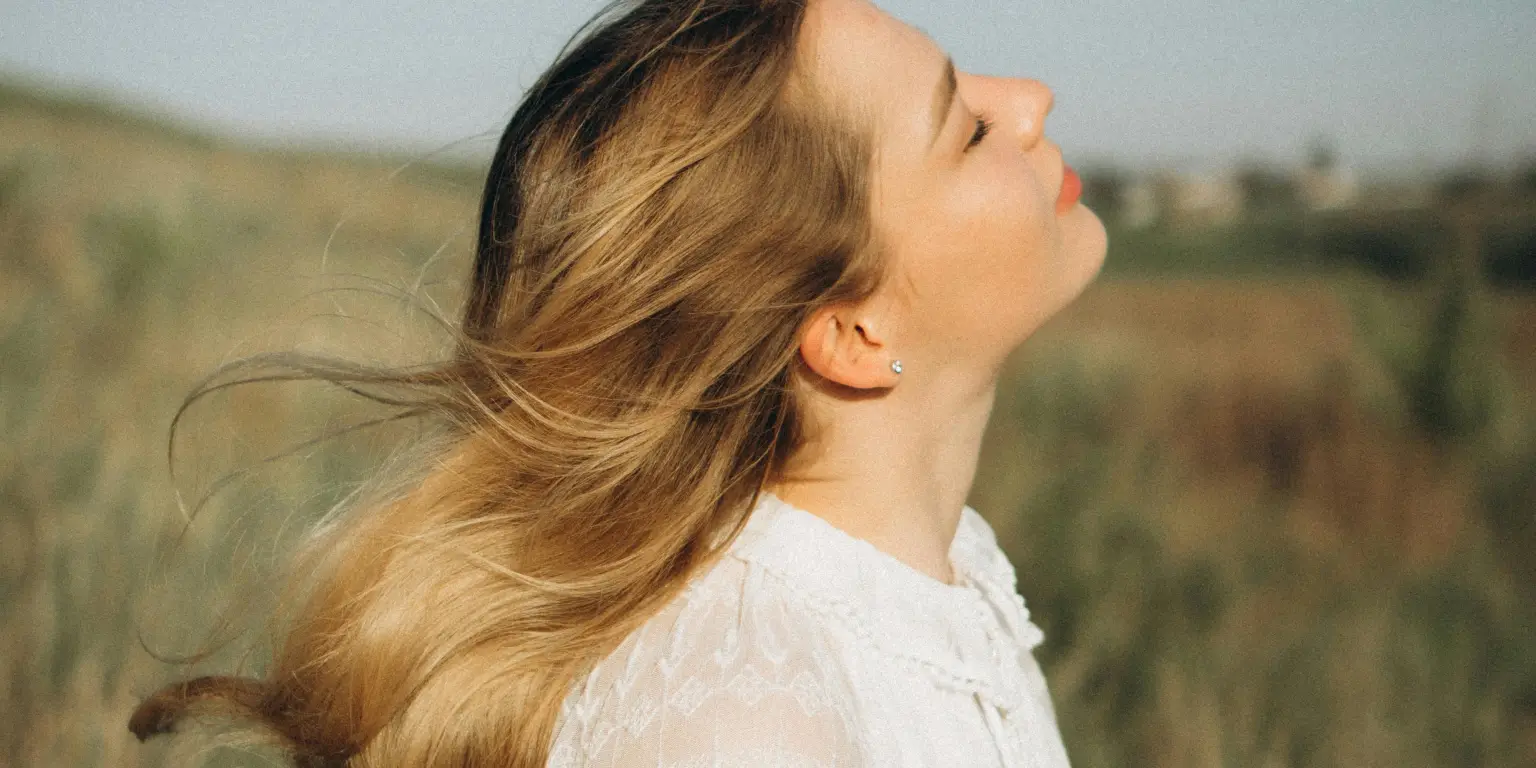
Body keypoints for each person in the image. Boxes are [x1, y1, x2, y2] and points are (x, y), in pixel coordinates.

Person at [128, 0, 1107, 765]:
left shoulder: (938, 581)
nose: (1030, 100)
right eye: (965, 131)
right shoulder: (745, 719)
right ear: (853, 332)